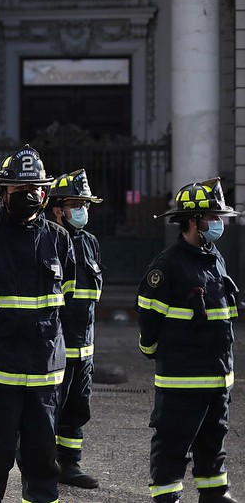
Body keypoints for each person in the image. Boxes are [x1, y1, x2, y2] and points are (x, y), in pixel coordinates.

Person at [0, 145, 76, 503]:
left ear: (45, 192)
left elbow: (67, 299)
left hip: (43, 377)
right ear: (3, 193)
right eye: (20, 188)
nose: (29, 194)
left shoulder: (59, 240)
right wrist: (0, 333)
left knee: (43, 466)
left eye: (35, 187)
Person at [137, 177, 240, 503]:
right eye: (212, 217)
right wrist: (151, 349)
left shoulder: (215, 257)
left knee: (213, 438)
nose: (218, 223)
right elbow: (149, 317)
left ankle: (214, 493)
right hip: (182, 378)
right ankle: (167, 497)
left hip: (217, 374)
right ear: (193, 221)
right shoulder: (167, 264)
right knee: (173, 443)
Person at [47, 169, 104, 489]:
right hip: (54, 345)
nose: (83, 210)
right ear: (58, 209)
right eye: (76, 204)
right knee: (47, 410)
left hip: (84, 346)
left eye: (85, 204)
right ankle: (42, 463)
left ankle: (69, 465)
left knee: (77, 408)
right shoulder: (48, 240)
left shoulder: (91, 243)